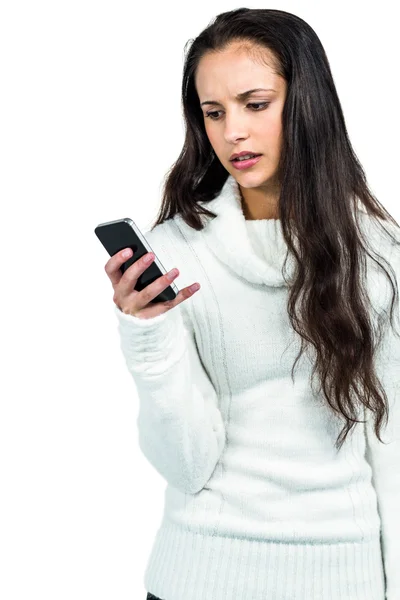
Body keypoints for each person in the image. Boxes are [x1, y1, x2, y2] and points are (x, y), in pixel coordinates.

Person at [104, 8, 400, 600]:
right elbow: (187, 464)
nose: (232, 131)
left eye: (255, 104)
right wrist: (147, 336)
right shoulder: (175, 252)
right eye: (213, 113)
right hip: (198, 574)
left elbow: (390, 449)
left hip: (343, 576)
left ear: (307, 103)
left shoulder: (378, 253)